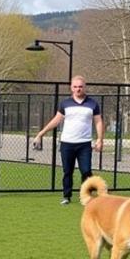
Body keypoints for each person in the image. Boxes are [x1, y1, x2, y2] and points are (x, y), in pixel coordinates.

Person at [33, 75, 104, 205]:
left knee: (86, 171)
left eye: (80, 87)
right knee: (67, 171)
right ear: (71, 88)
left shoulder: (93, 104)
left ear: (84, 87)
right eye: (75, 87)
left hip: (84, 144)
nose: (78, 89)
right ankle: (67, 196)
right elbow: (56, 120)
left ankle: (86, 196)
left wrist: (100, 139)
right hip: (67, 143)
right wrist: (41, 134)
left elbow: (98, 121)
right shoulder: (65, 103)